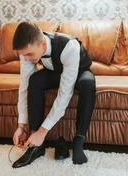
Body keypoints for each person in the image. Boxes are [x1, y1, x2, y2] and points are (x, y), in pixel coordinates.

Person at [11, 21, 96, 168]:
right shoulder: (27, 52)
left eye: (30, 54)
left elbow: (64, 94)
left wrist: (43, 131)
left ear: (42, 44)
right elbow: (24, 86)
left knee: (88, 84)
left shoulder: (70, 46)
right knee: (34, 80)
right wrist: (21, 126)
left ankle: (78, 141)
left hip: (79, 71)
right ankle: (35, 145)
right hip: (55, 72)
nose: (26, 59)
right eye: (23, 55)